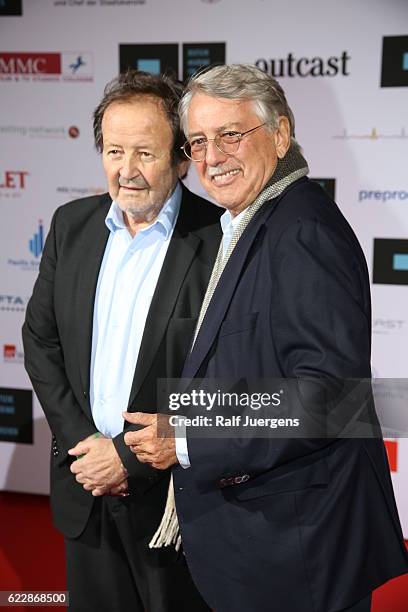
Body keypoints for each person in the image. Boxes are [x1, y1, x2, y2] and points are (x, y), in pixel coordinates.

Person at [123, 64, 408, 612]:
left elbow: (328, 399)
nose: (211, 157)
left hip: (299, 553)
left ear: (280, 134)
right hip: (268, 543)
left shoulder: (301, 230)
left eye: (231, 135)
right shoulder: (254, 221)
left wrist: (186, 440)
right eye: (198, 142)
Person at [22, 70, 221, 612]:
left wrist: (128, 461)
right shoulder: (71, 225)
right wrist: (85, 444)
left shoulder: (220, 239)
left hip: (175, 506)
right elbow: (39, 340)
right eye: (113, 151)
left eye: (144, 153)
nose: (126, 171)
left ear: (183, 159)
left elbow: (225, 377)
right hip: (83, 486)